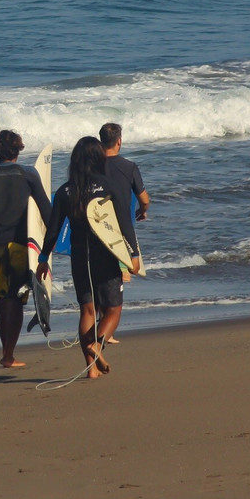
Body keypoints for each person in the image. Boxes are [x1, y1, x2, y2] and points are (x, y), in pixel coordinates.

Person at [36, 137, 140, 378]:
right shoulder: (109, 186)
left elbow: (53, 230)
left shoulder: (65, 190)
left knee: (87, 311)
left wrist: (43, 258)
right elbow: (124, 222)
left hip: (80, 257)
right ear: (99, 158)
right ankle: (97, 345)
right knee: (113, 310)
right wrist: (133, 254)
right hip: (106, 254)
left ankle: (91, 370)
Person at [0, 129, 51, 368]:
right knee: (17, 298)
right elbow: (46, 211)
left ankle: (6, 352)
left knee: (3, 297)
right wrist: (49, 245)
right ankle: (8, 356)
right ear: (18, 149)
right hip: (23, 245)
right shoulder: (28, 174)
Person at [98, 122, 150, 342]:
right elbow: (144, 199)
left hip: (98, 229)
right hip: (122, 232)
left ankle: (103, 325)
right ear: (119, 141)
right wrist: (143, 210)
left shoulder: (91, 167)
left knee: (100, 275)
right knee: (129, 269)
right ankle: (105, 331)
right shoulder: (129, 167)